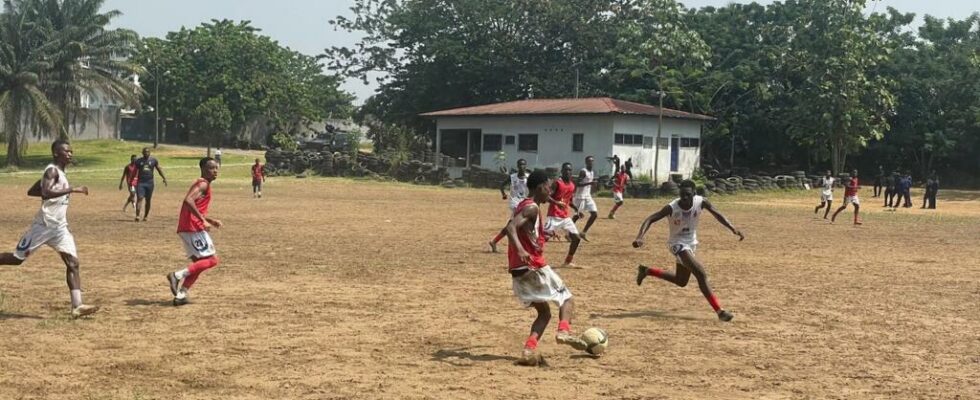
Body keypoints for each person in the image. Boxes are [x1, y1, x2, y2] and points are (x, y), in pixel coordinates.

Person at [0, 140, 99, 318]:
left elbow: (33, 191)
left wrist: (60, 191)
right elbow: (45, 193)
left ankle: (77, 305)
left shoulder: (58, 172)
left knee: (73, 263)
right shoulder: (52, 170)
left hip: (59, 228)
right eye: (66, 151)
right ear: (56, 153)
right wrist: (72, 189)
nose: (70, 154)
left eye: (71, 151)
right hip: (43, 226)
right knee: (16, 259)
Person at [506, 170, 588, 366]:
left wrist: (539, 238)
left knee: (544, 313)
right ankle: (564, 332)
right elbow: (510, 228)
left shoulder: (523, 205)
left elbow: (519, 229)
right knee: (567, 299)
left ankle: (528, 350)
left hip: (518, 271)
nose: (550, 192)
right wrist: (521, 250)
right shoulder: (532, 207)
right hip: (533, 267)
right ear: (540, 187)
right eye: (548, 187)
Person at [633, 180, 743, 322]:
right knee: (700, 273)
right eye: (682, 195)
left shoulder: (701, 202)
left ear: (694, 194)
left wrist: (732, 228)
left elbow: (717, 214)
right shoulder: (672, 207)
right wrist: (640, 237)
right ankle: (720, 311)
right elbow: (650, 218)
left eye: (688, 195)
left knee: (681, 281)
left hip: (691, 243)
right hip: (677, 244)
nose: (684, 198)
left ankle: (646, 271)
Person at [166, 157, 223, 306]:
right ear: (203, 169)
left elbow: (194, 205)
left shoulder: (204, 184)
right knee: (212, 260)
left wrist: (209, 220)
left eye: (216, 168)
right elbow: (188, 200)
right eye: (211, 168)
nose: (215, 171)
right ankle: (177, 275)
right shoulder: (203, 184)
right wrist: (203, 221)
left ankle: (181, 295)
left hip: (190, 226)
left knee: (199, 263)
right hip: (193, 227)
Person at [544, 162, 581, 268]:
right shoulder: (557, 183)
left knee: (576, 238)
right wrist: (556, 203)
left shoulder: (572, 185)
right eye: (565, 170)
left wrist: (576, 209)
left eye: (569, 170)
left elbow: (568, 200)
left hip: (565, 217)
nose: (568, 172)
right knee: (543, 239)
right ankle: (531, 259)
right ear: (562, 171)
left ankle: (568, 262)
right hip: (554, 216)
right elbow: (546, 196)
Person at [487, 159, 528, 253]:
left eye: (523, 165)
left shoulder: (528, 177)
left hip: (524, 202)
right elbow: (502, 185)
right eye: (520, 165)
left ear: (526, 166)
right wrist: (503, 194)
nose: (522, 166)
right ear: (518, 166)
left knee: (512, 224)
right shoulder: (512, 177)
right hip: (515, 202)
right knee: (518, 224)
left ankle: (494, 241)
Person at [134, 147, 168, 222]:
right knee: (140, 198)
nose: (146, 153)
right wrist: (132, 181)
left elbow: (159, 169)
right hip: (141, 182)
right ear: (142, 153)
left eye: (147, 152)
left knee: (148, 200)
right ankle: (137, 216)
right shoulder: (138, 161)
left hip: (149, 182)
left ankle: (145, 216)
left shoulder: (153, 160)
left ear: (150, 153)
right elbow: (134, 171)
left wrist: (164, 178)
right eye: (145, 152)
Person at [571, 155, 598, 241]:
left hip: (587, 196)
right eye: (589, 161)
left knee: (594, 214)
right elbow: (578, 183)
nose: (591, 163)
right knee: (577, 216)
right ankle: (568, 233)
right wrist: (590, 183)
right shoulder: (583, 171)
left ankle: (583, 232)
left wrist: (593, 186)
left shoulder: (592, 172)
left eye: (592, 161)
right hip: (580, 196)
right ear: (586, 162)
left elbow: (590, 184)